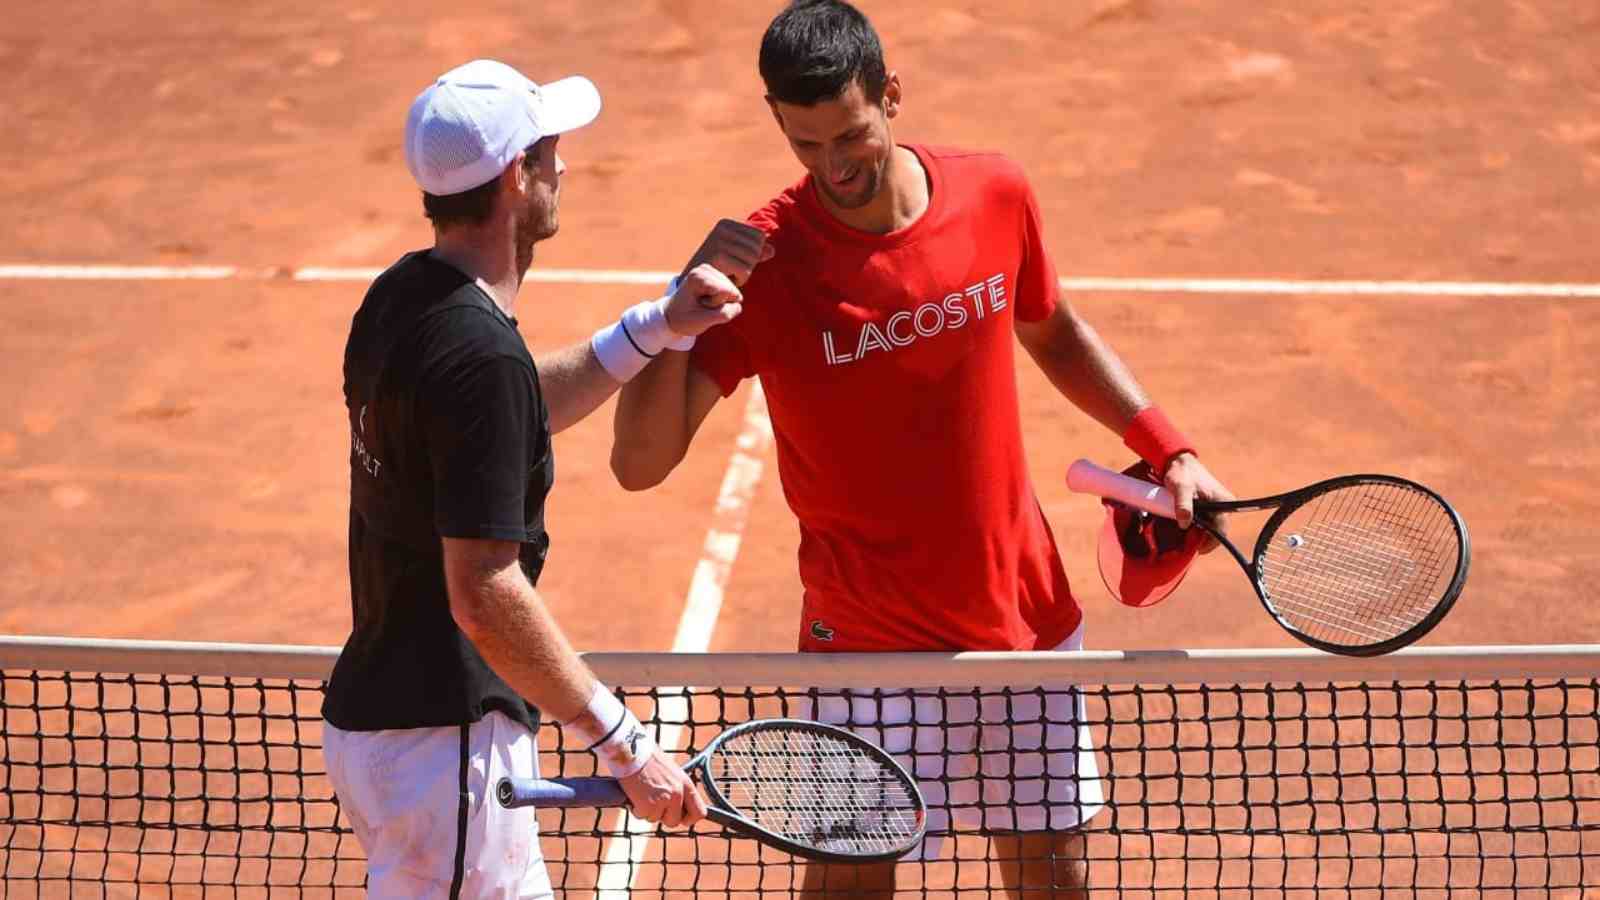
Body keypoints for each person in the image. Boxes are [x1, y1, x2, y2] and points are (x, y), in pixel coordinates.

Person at [609, 2, 1234, 897]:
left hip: (1021, 619)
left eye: (850, 135)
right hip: (863, 646)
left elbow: (1052, 332)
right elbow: (640, 463)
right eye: (805, 144)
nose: (833, 167)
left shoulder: (996, 193)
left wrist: (1169, 450)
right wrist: (673, 315)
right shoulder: (768, 263)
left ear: (892, 94)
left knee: (1054, 885)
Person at [320, 58, 744, 899]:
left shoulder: (402, 299)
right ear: (518, 177)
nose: (564, 168)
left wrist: (655, 326)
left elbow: (499, 421)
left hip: (387, 732)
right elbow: (482, 591)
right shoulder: (477, 353)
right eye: (550, 153)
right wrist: (626, 745)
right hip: (448, 751)